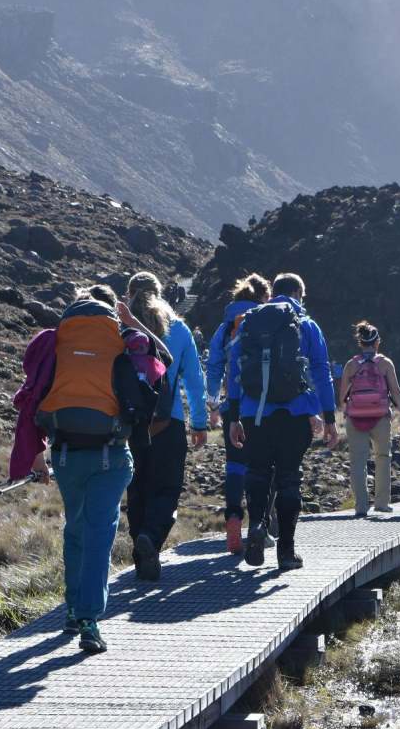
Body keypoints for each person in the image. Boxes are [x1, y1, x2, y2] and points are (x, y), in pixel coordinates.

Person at [41, 285, 171, 654]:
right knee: (100, 534)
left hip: (66, 452)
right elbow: (164, 362)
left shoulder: (57, 340)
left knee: (76, 528)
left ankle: (71, 607)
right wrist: (132, 322)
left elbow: (35, 388)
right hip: (111, 453)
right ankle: (89, 620)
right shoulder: (124, 336)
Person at [228, 273, 339, 570]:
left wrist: (234, 416)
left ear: (272, 294)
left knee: (257, 471)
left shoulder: (250, 322)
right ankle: (286, 553)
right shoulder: (306, 324)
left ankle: (255, 527)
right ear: (299, 294)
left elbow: (235, 370)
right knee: (289, 476)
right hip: (295, 413)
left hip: (255, 412)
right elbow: (321, 373)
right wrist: (328, 416)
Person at [124, 272, 208, 579]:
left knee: (137, 489)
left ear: (129, 293)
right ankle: (151, 538)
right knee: (167, 487)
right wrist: (199, 423)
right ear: (160, 294)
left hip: (130, 425)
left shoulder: (121, 328)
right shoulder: (179, 329)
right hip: (167, 421)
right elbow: (194, 382)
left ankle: (140, 548)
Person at [205, 274, 272, 553]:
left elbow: (214, 365)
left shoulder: (225, 326)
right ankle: (261, 526)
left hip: (233, 404)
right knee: (264, 466)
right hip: (263, 404)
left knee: (235, 465)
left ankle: (233, 516)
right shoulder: (267, 320)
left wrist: (212, 403)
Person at [338, 321, 400, 517]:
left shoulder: (351, 365)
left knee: (358, 462)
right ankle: (381, 503)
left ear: (360, 343)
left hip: (356, 418)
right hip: (380, 417)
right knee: (383, 458)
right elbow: (395, 391)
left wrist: (346, 411)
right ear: (377, 342)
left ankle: (361, 506)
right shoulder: (385, 363)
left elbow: (342, 395)